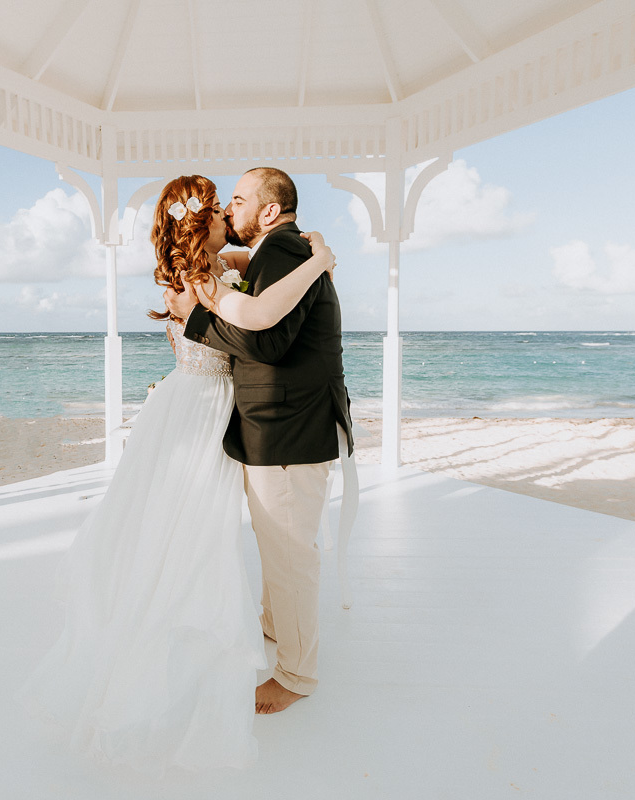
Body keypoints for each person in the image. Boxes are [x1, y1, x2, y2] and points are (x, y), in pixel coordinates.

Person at [19, 174, 336, 774]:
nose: (225, 212)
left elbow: (252, 258)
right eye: (218, 208)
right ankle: (201, 631)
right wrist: (319, 258)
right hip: (203, 410)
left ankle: (273, 633)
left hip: (200, 407)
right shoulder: (203, 282)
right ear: (201, 224)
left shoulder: (213, 264)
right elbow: (261, 316)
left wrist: (274, 249)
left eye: (231, 203)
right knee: (195, 535)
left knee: (205, 530)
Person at [165, 166, 354, 716]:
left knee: (291, 552)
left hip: (289, 428)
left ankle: (296, 675)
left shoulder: (285, 253)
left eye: (240, 200)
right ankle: (277, 623)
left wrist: (197, 318)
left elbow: (267, 344)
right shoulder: (282, 252)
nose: (229, 210)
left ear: (268, 212)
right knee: (278, 541)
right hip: (278, 426)